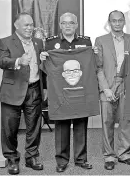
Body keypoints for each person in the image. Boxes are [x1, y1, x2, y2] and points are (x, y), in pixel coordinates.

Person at [40, 12, 97, 172]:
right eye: (64, 23)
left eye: (71, 23)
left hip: (80, 91)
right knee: (62, 125)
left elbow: (90, 65)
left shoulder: (86, 42)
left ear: (76, 24)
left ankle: (80, 159)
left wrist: (95, 55)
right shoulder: (51, 43)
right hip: (60, 93)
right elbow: (46, 70)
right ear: (60, 25)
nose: (68, 26)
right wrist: (43, 58)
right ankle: (62, 161)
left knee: (80, 124)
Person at [0, 12, 45, 175]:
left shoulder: (38, 42)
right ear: (16, 26)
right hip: (12, 91)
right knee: (10, 129)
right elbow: (3, 61)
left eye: (31, 25)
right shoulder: (4, 42)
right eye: (26, 25)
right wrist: (18, 61)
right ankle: (12, 159)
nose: (30, 28)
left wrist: (44, 88)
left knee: (34, 127)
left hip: (34, 89)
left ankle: (31, 157)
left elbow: (43, 66)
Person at [95, 10, 130, 170]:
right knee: (107, 123)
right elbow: (98, 67)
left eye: (120, 20)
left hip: (126, 89)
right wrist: (105, 89)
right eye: (114, 21)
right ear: (109, 22)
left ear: (124, 21)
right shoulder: (100, 40)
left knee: (126, 122)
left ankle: (124, 154)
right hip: (107, 90)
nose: (117, 23)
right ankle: (109, 156)